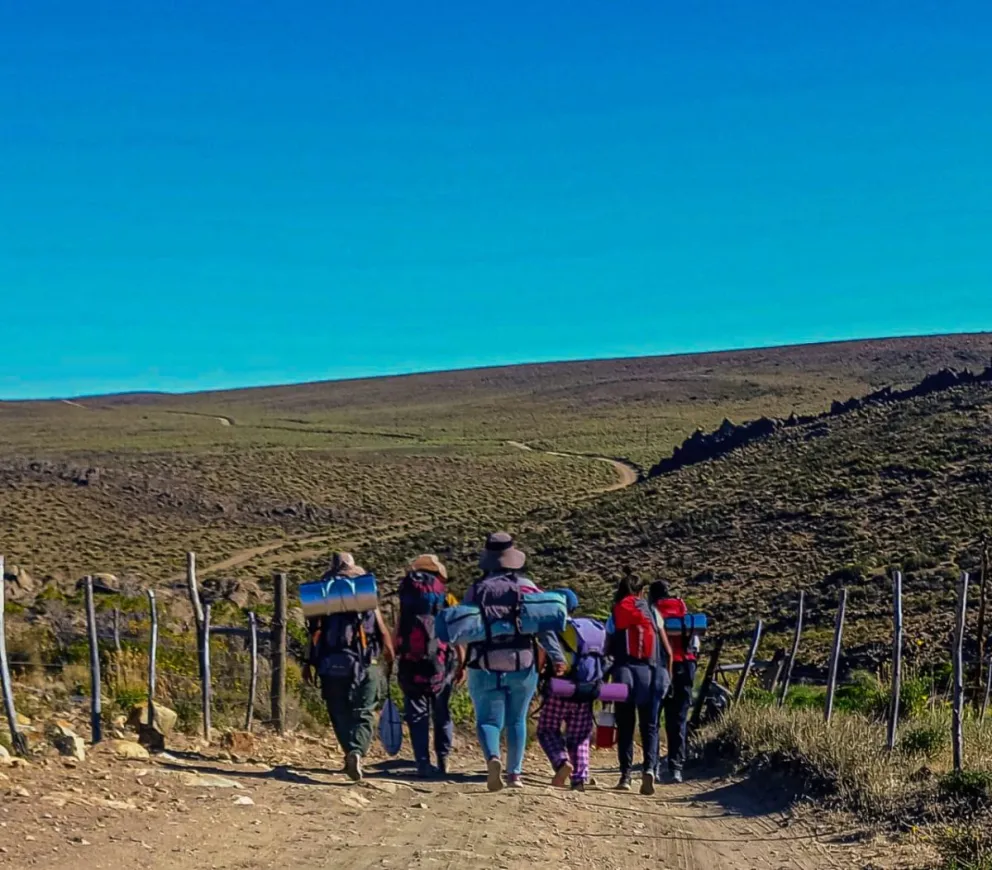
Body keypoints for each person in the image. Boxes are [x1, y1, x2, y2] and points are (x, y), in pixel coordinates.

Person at [461, 532, 567, 792]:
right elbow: (544, 627)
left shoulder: (476, 590)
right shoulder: (528, 587)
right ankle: (515, 774)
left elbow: (463, 629)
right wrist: (557, 657)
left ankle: (493, 759)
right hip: (522, 662)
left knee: (488, 720)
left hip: (484, 663)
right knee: (517, 720)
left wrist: (458, 662)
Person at [303, 552, 394, 782]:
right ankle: (356, 751)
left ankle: (348, 754)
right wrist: (390, 660)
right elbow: (382, 631)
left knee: (338, 711)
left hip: (330, 664)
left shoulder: (322, 596)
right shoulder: (364, 596)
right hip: (365, 663)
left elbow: (313, 633)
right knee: (363, 712)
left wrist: (307, 664)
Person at [394, 554, 465, 778]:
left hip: (410, 660)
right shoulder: (446, 596)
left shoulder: (406, 596)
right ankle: (443, 759)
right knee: (442, 712)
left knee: (416, 714)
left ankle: (422, 763)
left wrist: (395, 653)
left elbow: (398, 627)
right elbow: (456, 632)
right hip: (441, 662)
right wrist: (461, 662)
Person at [607, 575, 672, 795]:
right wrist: (667, 679)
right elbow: (669, 652)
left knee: (625, 726)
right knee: (650, 726)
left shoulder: (616, 612)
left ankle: (625, 776)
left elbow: (607, 647)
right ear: (640, 592)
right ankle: (650, 769)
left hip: (624, 674)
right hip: (652, 674)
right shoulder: (653, 613)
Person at [537, 588, 605, 792]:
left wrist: (539, 677)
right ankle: (580, 778)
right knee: (580, 736)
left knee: (547, 730)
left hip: (560, 689)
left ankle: (561, 762)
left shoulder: (553, 629)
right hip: (585, 691)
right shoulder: (585, 629)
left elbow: (542, 659)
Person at [650, 580, 697, 784]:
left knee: (652, 719)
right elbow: (695, 645)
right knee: (678, 719)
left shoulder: (652, 612)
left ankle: (652, 767)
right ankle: (676, 767)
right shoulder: (683, 613)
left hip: (659, 668)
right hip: (685, 667)